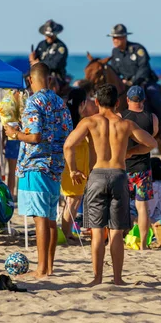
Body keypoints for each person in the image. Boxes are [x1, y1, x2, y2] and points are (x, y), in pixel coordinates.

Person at [63, 84, 157, 286]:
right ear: (117, 103)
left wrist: (73, 169)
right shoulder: (125, 124)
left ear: (96, 102)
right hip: (119, 175)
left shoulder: (89, 122)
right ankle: (117, 279)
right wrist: (131, 152)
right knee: (116, 231)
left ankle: (97, 278)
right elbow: (152, 143)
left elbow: (68, 145)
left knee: (97, 231)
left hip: (96, 175)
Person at [4, 63, 72, 279]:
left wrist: (15, 134)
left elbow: (35, 137)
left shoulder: (34, 103)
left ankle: (41, 269)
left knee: (40, 219)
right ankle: (49, 267)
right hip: (55, 166)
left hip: (36, 165)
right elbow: (67, 135)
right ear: (49, 79)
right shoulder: (60, 103)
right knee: (50, 218)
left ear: (31, 80)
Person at [107, 24, 161, 135]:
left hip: (145, 81)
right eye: (113, 38)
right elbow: (115, 71)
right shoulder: (115, 52)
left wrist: (134, 81)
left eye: (117, 37)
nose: (114, 40)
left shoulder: (137, 49)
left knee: (155, 97)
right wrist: (121, 81)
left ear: (124, 37)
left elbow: (143, 67)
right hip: (126, 84)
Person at [122, 86, 159, 250]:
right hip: (143, 168)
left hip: (123, 167)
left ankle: (117, 239)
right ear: (143, 100)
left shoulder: (121, 117)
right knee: (142, 207)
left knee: (118, 204)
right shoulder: (152, 118)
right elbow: (153, 137)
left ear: (127, 100)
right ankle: (143, 245)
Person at [60, 88, 90, 241]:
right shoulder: (79, 121)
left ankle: (68, 231)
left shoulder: (67, 117)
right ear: (83, 103)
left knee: (73, 199)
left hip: (71, 163)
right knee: (72, 200)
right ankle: (66, 233)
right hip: (75, 165)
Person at [30, 20, 68, 84]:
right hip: (40, 74)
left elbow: (55, 64)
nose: (49, 38)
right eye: (48, 36)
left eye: (51, 36)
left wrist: (39, 63)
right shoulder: (41, 44)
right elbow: (36, 58)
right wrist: (32, 59)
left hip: (55, 76)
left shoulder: (61, 47)